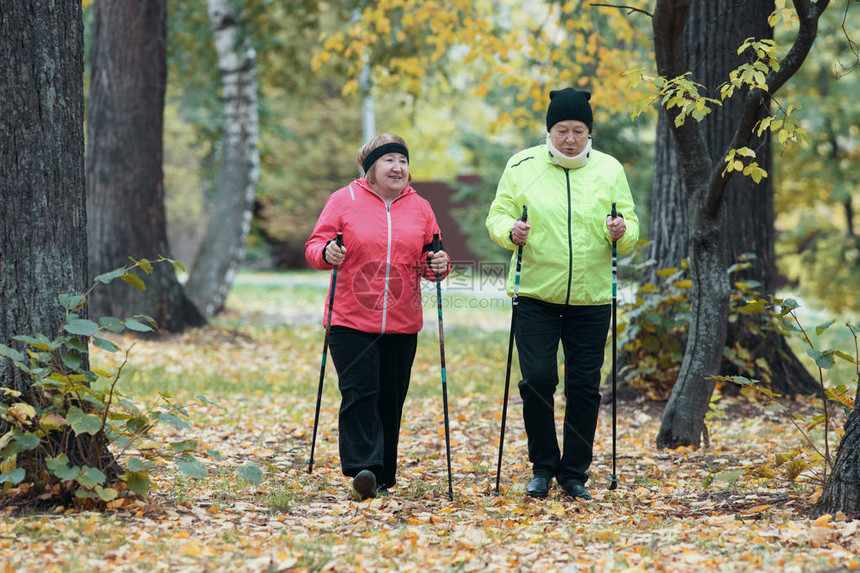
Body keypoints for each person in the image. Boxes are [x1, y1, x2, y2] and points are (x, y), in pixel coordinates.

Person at [486, 88, 639, 500]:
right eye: (561, 130)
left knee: (584, 387)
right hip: (535, 293)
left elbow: (631, 227)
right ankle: (542, 466)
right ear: (548, 130)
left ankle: (574, 473)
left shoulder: (609, 169)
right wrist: (509, 232)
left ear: (590, 133)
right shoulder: (521, 165)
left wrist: (622, 232)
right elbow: (497, 216)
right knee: (537, 380)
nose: (569, 138)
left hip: (591, 299)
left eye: (578, 130)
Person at [305, 133, 450, 500]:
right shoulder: (343, 200)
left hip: (402, 321)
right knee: (360, 391)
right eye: (389, 161)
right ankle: (362, 469)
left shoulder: (420, 208)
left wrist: (439, 265)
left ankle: (382, 474)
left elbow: (432, 260)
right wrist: (327, 253)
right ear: (370, 169)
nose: (398, 167)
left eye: (402, 161)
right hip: (349, 318)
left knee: (391, 397)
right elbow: (314, 247)